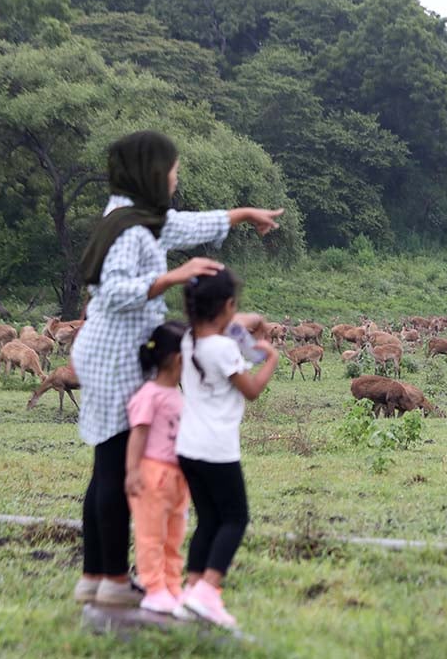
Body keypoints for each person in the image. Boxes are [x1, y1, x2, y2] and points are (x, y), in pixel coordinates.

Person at [70, 131, 282, 607]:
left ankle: (94, 576)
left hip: (119, 349)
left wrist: (245, 215)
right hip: (113, 353)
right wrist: (173, 277)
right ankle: (113, 582)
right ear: (150, 173)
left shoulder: (139, 216)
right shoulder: (128, 228)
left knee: (107, 463)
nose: (175, 178)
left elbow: (185, 225)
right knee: (114, 465)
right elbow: (114, 291)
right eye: (171, 171)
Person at [175, 268, 278, 628]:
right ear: (227, 306)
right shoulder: (223, 348)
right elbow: (250, 390)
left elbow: (239, 321)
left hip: (187, 447)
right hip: (217, 448)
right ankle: (209, 590)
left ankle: (191, 589)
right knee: (235, 518)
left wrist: (252, 319)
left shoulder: (188, 339)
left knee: (208, 519)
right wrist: (271, 360)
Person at [124, 321, 189, 615]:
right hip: (153, 475)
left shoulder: (179, 396)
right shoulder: (149, 395)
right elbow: (138, 434)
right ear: (179, 359)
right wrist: (132, 471)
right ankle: (153, 588)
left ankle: (172, 585)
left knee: (174, 535)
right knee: (151, 535)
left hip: (178, 478)